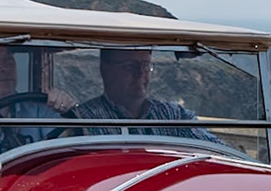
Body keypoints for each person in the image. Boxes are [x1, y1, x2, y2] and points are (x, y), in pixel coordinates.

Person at [72, 48, 227, 145]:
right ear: (105, 69)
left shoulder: (171, 115)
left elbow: (215, 148)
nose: (141, 74)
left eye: (145, 66)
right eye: (130, 66)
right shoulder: (85, 119)